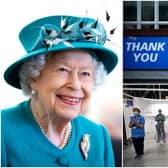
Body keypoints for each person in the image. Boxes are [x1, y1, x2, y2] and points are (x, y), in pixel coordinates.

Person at [1, 15, 118, 167]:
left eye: (85, 74)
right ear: (33, 78)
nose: (75, 85)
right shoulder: (3, 130)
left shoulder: (98, 136)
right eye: (63, 70)